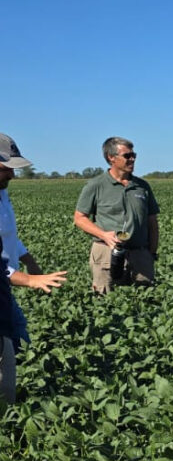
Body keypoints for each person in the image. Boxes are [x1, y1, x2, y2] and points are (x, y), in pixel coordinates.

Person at [0, 133, 69, 403]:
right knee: (10, 337)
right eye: (7, 169)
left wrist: (28, 260)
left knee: (15, 336)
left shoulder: (2, 193)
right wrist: (28, 281)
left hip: (5, 283)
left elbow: (8, 235)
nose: (13, 176)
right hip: (5, 279)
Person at [74, 137, 160, 293]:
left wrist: (151, 254)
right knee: (104, 299)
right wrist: (104, 235)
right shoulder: (96, 185)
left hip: (139, 254)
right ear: (111, 158)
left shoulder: (142, 186)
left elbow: (152, 222)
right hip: (106, 253)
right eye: (127, 156)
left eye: (134, 155)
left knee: (145, 301)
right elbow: (79, 218)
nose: (132, 159)